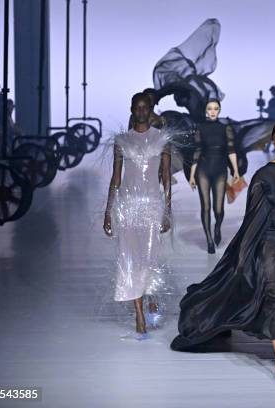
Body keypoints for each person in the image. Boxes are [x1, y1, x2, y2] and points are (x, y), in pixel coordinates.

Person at [171, 120, 275, 388]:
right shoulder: (264, 176)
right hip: (273, 245)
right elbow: (252, 220)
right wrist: (243, 258)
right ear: (273, 140)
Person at [103, 92, 172, 337]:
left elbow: (165, 177)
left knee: (150, 258)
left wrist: (168, 210)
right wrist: (108, 211)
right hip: (128, 206)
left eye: (146, 107)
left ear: (151, 109)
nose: (142, 111)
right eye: (137, 107)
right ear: (132, 109)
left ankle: (151, 297)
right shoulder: (122, 140)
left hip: (152, 206)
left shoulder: (162, 139)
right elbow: (116, 177)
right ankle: (139, 314)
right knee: (129, 259)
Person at [189, 99, 240, 254]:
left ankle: (217, 227)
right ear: (206, 110)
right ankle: (209, 240)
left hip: (220, 170)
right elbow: (197, 151)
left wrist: (236, 171)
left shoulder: (226, 128)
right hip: (203, 170)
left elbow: (231, 150)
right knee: (205, 206)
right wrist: (192, 175)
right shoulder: (200, 128)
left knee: (219, 209)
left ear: (219, 110)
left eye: (215, 108)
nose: (212, 111)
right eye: (209, 108)